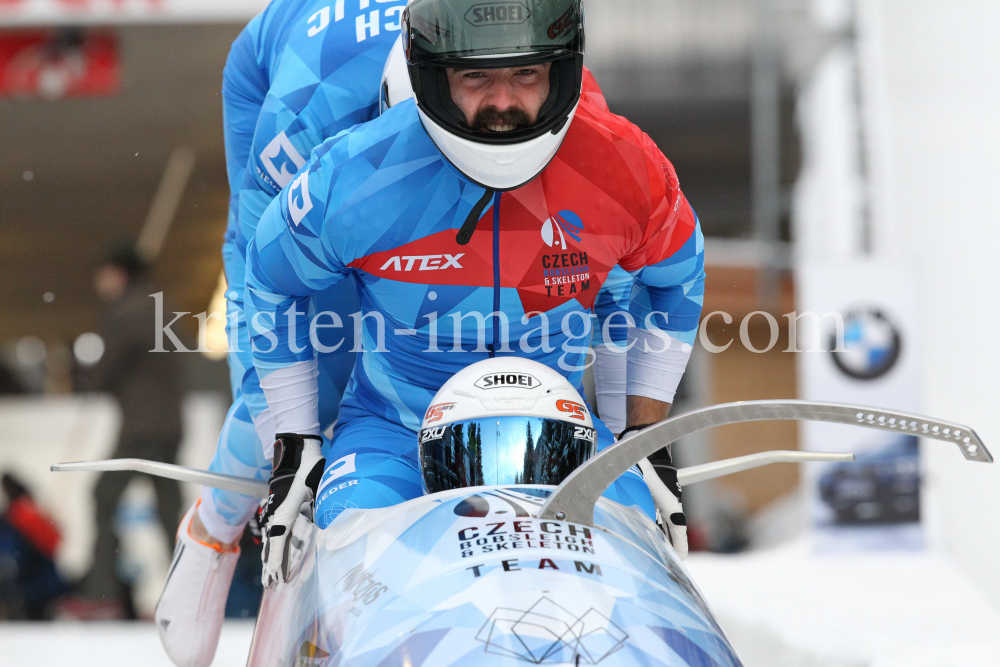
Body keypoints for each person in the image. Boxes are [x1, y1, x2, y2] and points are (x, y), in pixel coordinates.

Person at [156, 1, 627, 662]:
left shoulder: (553, 106)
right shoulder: (310, 117)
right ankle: (214, 529)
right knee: (323, 368)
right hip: (289, 91)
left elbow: (616, 266)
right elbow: (264, 289)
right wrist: (292, 460)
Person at [248, 0, 704, 588]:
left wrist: (641, 432)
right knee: (356, 569)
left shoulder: (626, 164)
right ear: (432, 76)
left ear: (561, 70)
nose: (503, 102)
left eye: (525, 74)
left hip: (563, 435)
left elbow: (678, 278)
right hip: (395, 438)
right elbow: (269, 279)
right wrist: (294, 441)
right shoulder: (353, 173)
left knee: (633, 566)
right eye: (475, 77)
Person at [72, 244, 183, 619]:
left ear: (117, 273)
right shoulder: (160, 307)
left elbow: (105, 372)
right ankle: (188, 592)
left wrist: (83, 374)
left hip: (141, 427)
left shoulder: (126, 311)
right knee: (171, 511)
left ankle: (102, 594)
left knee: (104, 498)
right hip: (169, 424)